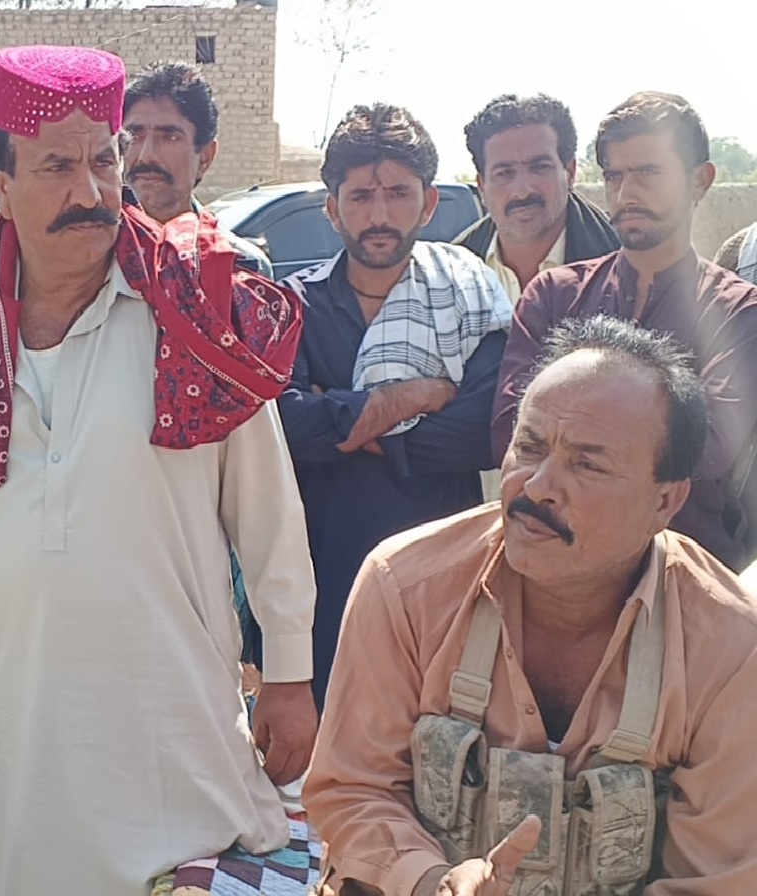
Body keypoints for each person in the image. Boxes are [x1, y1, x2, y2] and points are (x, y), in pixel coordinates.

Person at [0, 46, 316, 893]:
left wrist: (289, 677)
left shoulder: (197, 313)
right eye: (55, 167)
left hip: (165, 739)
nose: (90, 193)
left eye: (102, 161)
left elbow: (270, 515)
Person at [311, 317, 757, 895]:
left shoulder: (729, 646)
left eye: (587, 463)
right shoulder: (405, 584)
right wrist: (430, 882)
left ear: (666, 500)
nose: (537, 485)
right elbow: (353, 789)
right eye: (529, 447)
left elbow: (717, 879)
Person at [276, 104, 511, 701]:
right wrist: (418, 395)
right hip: (329, 577)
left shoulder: (468, 297)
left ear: (428, 203)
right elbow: (287, 430)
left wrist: (344, 414)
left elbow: (482, 434)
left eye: (398, 194)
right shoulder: (294, 306)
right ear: (332, 209)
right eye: (359, 197)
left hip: (448, 578)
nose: (378, 216)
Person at [495, 92, 757, 570]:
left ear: (701, 181)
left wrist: (564, 437)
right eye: (615, 175)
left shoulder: (737, 310)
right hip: (554, 570)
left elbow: (712, 447)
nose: (626, 193)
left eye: (648, 173)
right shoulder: (553, 296)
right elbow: (508, 432)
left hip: (682, 573)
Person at [456, 94, 622, 295]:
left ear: (570, 172)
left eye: (539, 167)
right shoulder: (453, 272)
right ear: (481, 184)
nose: (523, 190)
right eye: (504, 173)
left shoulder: (626, 262)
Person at [123, 63, 273, 278]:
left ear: (205, 156)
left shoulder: (242, 268)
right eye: (134, 136)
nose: (146, 155)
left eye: (170, 137)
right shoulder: (88, 259)